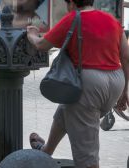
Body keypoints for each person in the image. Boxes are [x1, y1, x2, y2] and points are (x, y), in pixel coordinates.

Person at [26, 0, 129, 167]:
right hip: (115, 81)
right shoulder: (111, 19)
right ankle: (47, 150)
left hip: (89, 83)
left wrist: (32, 33)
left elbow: (41, 45)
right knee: (68, 108)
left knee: (86, 156)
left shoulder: (73, 19)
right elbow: (125, 56)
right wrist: (125, 91)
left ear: (72, 3)